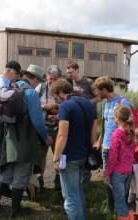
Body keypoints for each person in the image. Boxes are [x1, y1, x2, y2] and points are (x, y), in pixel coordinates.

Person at [0, 64, 53, 218]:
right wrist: (46, 137)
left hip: (8, 137)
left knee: (7, 170)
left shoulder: (7, 88)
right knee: (22, 173)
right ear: (35, 79)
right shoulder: (31, 93)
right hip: (24, 137)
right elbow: (37, 122)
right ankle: (15, 212)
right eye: (40, 81)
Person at [51, 78, 98, 220]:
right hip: (84, 154)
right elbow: (94, 132)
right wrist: (91, 150)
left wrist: (55, 158)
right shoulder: (89, 104)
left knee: (70, 196)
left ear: (60, 92)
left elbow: (62, 135)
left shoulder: (65, 106)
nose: (57, 99)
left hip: (69, 156)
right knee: (78, 189)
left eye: (56, 96)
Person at [94, 76, 132, 213]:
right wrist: (99, 141)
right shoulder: (104, 104)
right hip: (106, 147)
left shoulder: (122, 102)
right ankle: (111, 206)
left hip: (120, 148)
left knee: (121, 179)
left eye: (98, 91)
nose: (96, 94)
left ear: (104, 90)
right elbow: (104, 124)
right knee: (107, 176)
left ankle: (122, 207)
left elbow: (129, 124)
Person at [66, 62, 99, 184]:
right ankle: (77, 171)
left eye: (71, 72)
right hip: (75, 117)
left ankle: (87, 170)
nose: (69, 74)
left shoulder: (88, 82)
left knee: (89, 142)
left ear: (77, 70)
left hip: (89, 116)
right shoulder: (69, 83)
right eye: (68, 72)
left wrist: (88, 103)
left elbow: (99, 97)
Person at [104, 105, 135, 220]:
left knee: (120, 200)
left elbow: (112, 158)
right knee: (123, 198)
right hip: (128, 171)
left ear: (117, 118)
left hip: (118, 173)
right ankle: (126, 216)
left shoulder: (116, 134)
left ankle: (123, 217)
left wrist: (107, 173)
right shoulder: (131, 133)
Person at [35, 64, 62, 190]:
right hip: (42, 126)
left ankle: (59, 179)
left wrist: (56, 108)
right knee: (41, 155)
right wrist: (44, 107)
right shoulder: (40, 87)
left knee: (59, 153)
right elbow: (32, 104)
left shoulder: (63, 89)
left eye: (55, 79)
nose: (52, 82)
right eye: (50, 78)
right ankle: (40, 179)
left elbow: (68, 106)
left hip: (58, 126)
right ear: (46, 76)